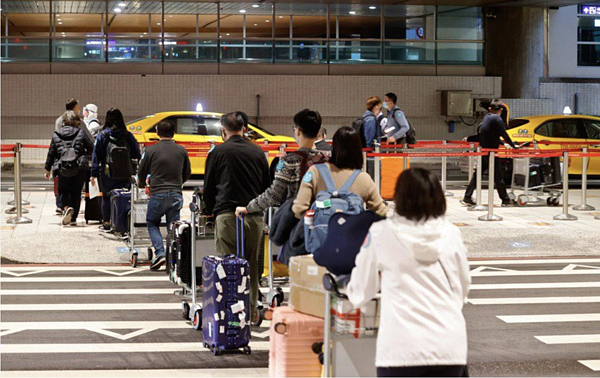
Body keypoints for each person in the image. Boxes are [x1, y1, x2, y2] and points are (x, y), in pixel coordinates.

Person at [347, 168, 471, 377]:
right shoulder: (451, 233)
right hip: (449, 346)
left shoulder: (382, 233)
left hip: (400, 349)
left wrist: (347, 289)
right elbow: (462, 288)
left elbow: (361, 291)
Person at [203, 112, 271, 321]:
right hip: (253, 216)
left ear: (223, 131)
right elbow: (266, 187)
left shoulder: (218, 153)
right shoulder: (258, 152)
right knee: (250, 265)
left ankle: (230, 316)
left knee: (227, 267)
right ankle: (249, 315)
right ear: (244, 129)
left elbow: (208, 187)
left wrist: (209, 211)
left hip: (226, 216)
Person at [235, 109, 328, 218]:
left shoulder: (289, 160)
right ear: (317, 133)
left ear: (297, 131)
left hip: (296, 220)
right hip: (320, 219)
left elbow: (274, 195)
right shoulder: (325, 160)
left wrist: (248, 208)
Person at [292, 126, 387, 219]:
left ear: (334, 147)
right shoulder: (364, 178)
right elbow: (381, 212)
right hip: (351, 233)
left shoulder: (315, 171)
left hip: (319, 233)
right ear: (358, 150)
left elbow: (299, 209)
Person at [137, 120, 191, 270]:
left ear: (157, 132)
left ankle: (160, 253)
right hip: (176, 194)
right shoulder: (182, 150)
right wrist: (178, 183)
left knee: (152, 222)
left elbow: (141, 172)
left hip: (158, 194)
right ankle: (173, 258)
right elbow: (187, 173)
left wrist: (142, 183)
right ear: (173, 133)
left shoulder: (151, 150)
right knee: (172, 227)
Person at [91, 108, 141, 232]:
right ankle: (123, 223)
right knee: (124, 197)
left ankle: (107, 222)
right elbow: (137, 154)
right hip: (125, 173)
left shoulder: (102, 135)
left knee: (106, 198)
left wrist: (94, 173)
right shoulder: (128, 135)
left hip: (107, 173)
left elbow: (96, 155)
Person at [462, 100, 517, 207]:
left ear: (490, 109)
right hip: (491, 152)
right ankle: (505, 199)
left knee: (477, 174)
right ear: (501, 110)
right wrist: (513, 146)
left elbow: (489, 134)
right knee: (498, 176)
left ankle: (467, 196)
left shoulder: (487, 117)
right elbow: (503, 134)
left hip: (484, 150)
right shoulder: (497, 119)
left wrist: (503, 143)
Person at [44, 111, 94, 226]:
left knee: (63, 190)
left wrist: (47, 168)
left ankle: (66, 207)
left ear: (64, 121)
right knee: (76, 192)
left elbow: (51, 153)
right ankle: (73, 217)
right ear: (76, 121)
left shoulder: (56, 134)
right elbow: (91, 148)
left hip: (62, 167)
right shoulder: (81, 133)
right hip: (79, 167)